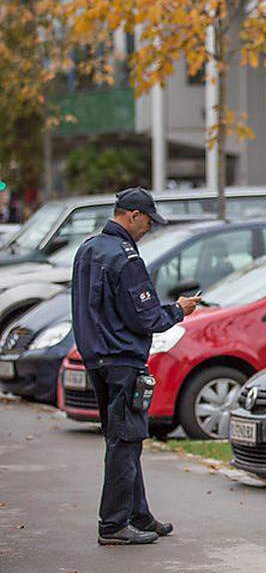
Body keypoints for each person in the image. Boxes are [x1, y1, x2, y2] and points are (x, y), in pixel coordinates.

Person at [70, 187, 201, 546]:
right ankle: (113, 525)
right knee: (125, 443)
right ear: (132, 215)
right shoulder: (126, 257)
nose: (148, 228)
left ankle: (138, 515)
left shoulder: (88, 249)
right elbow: (146, 318)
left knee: (123, 440)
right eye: (147, 221)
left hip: (96, 358)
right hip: (123, 360)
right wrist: (179, 311)